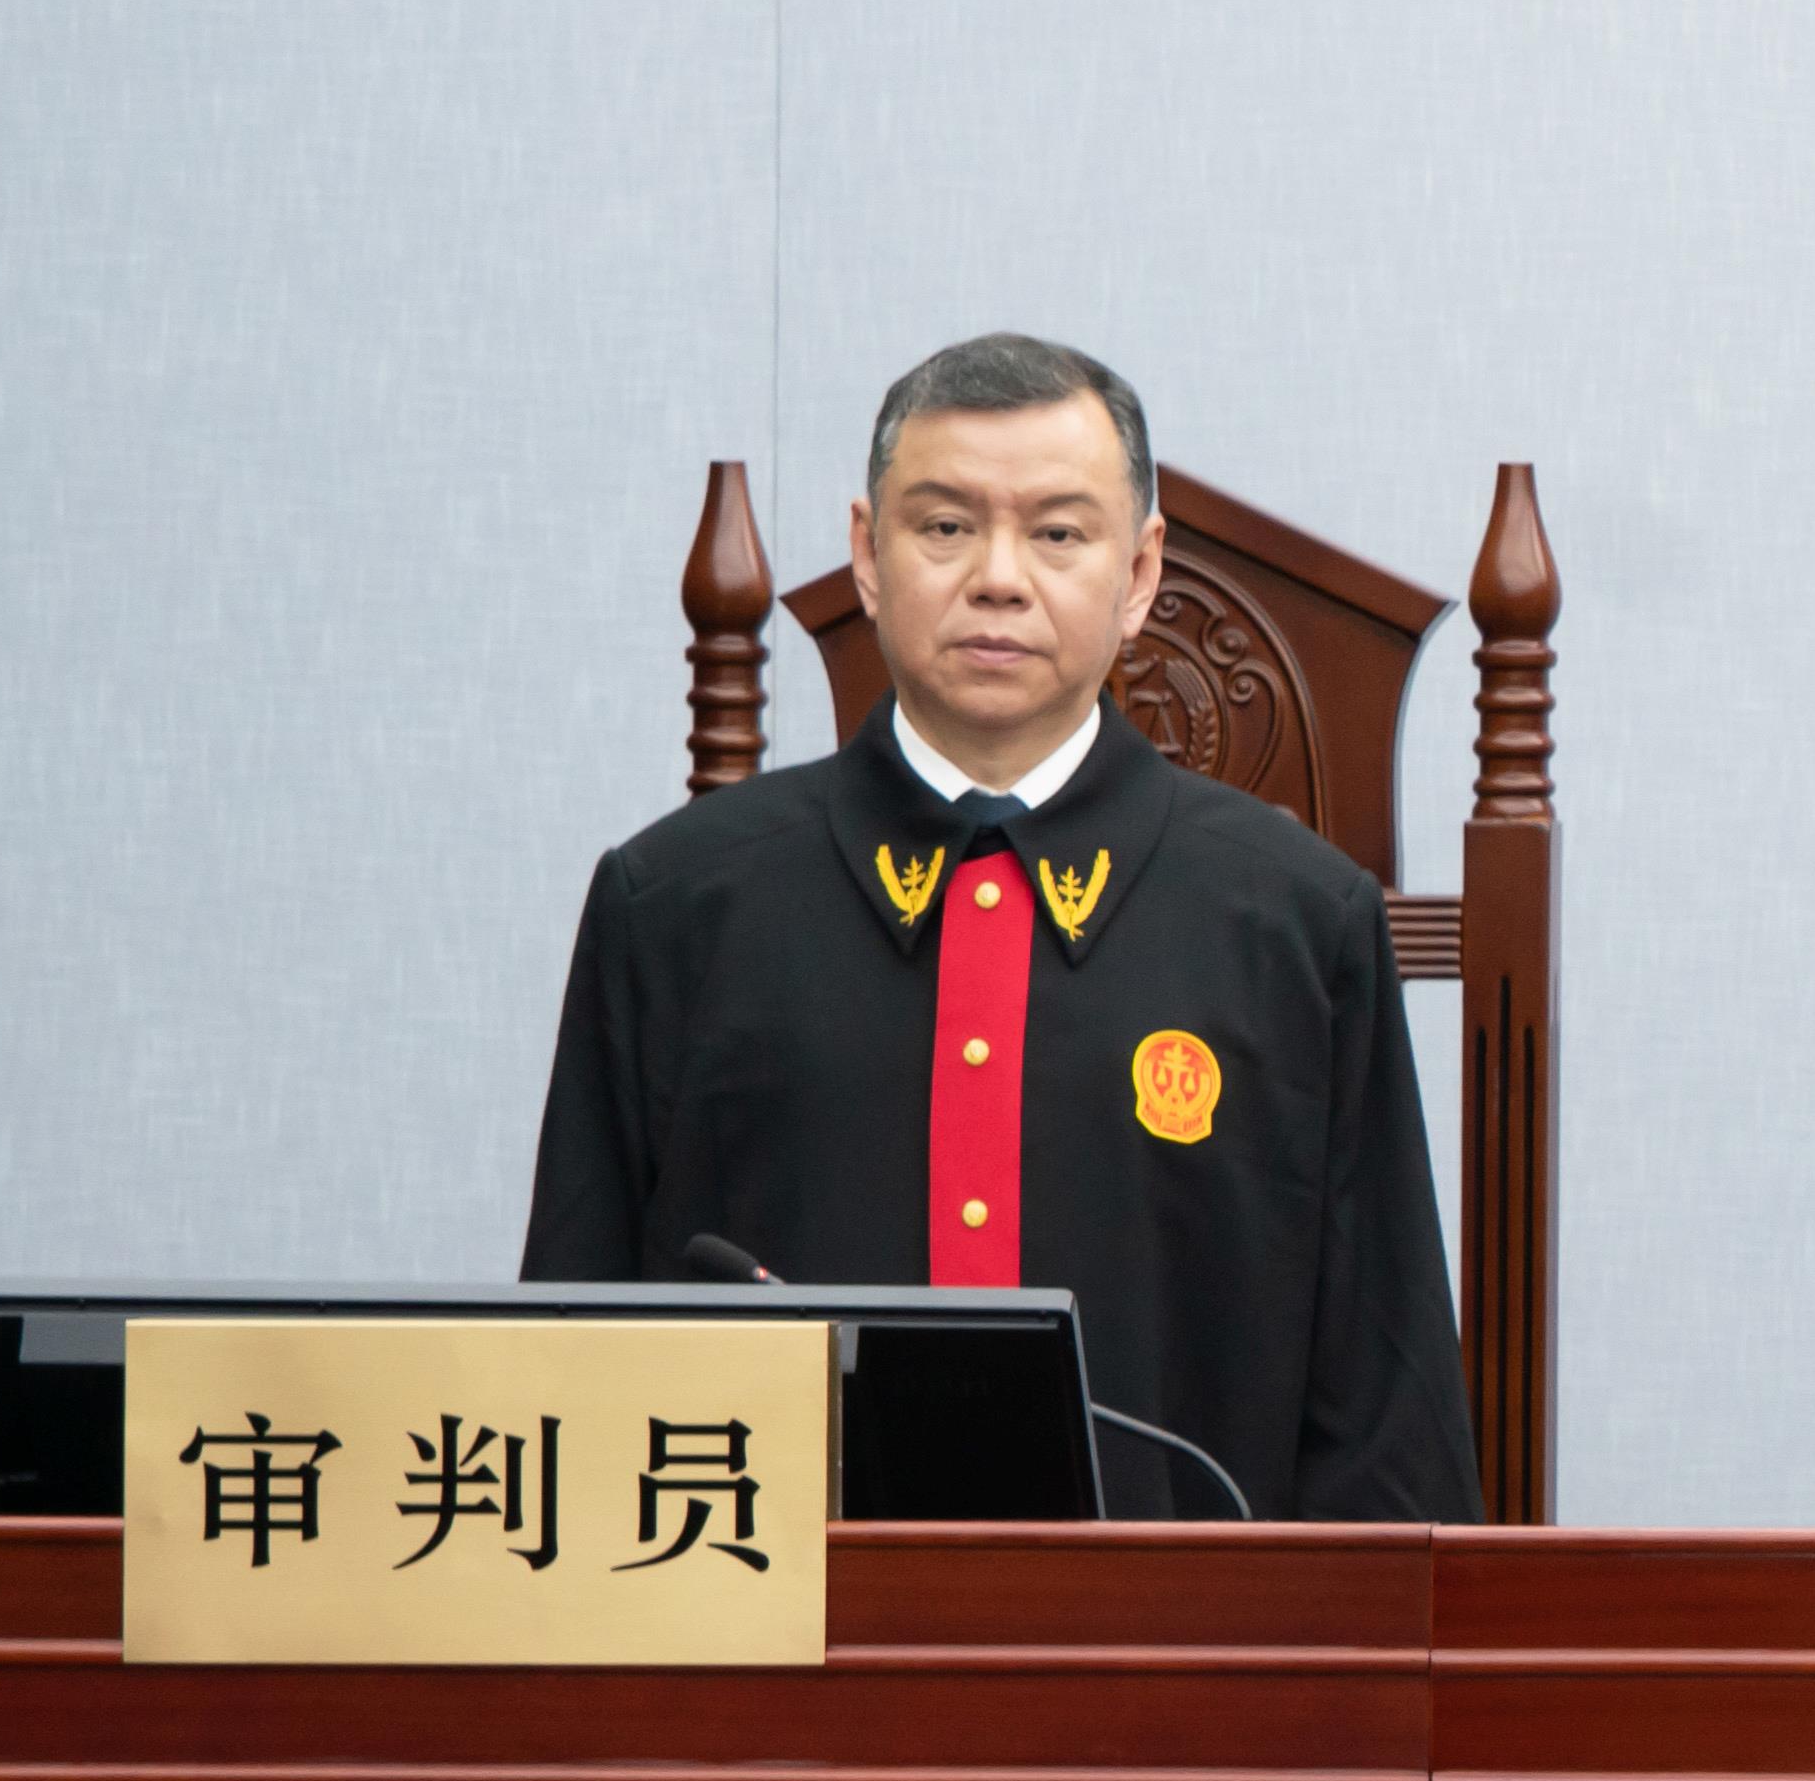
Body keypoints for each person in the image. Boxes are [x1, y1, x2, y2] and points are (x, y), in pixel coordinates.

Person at [524, 332, 1475, 1521]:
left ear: (1140, 575)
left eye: (1059, 534)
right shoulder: (675, 906)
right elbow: (562, 1385)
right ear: (868, 556)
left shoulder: (1297, 922)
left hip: (1179, 1631)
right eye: (945, 526)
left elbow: (1387, 1440)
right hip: (781, 1625)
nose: (999, 579)